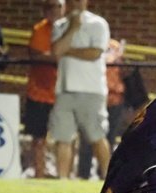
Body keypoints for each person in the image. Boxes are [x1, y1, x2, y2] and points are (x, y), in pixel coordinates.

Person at [50, 0, 111, 179]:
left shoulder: (98, 24)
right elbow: (56, 51)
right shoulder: (60, 25)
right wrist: (73, 28)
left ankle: (109, 178)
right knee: (63, 138)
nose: (75, 3)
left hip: (92, 90)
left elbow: (95, 53)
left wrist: (68, 50)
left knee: (96, 136)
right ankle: (62, 179)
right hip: (64, 90)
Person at [24, 0, 65, 179]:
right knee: (38, 136)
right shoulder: (39, 29)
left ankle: (63, 175)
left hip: (64, 93)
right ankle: (39, 174)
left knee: (65, 137)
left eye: (58, 6)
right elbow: (38, 55)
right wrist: (61, 56)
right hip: (39, 92)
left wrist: (58, 56)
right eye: (49, 6)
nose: (53, 10)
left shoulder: (70, 28)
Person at [77, 38, 126, 180]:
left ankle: (104, 174)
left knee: (109, 138)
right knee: (87, 138)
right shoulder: (87, 45)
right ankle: (83, 174)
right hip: (92, 97)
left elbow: (122, 71)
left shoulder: (115, 46)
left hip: (114, 98)